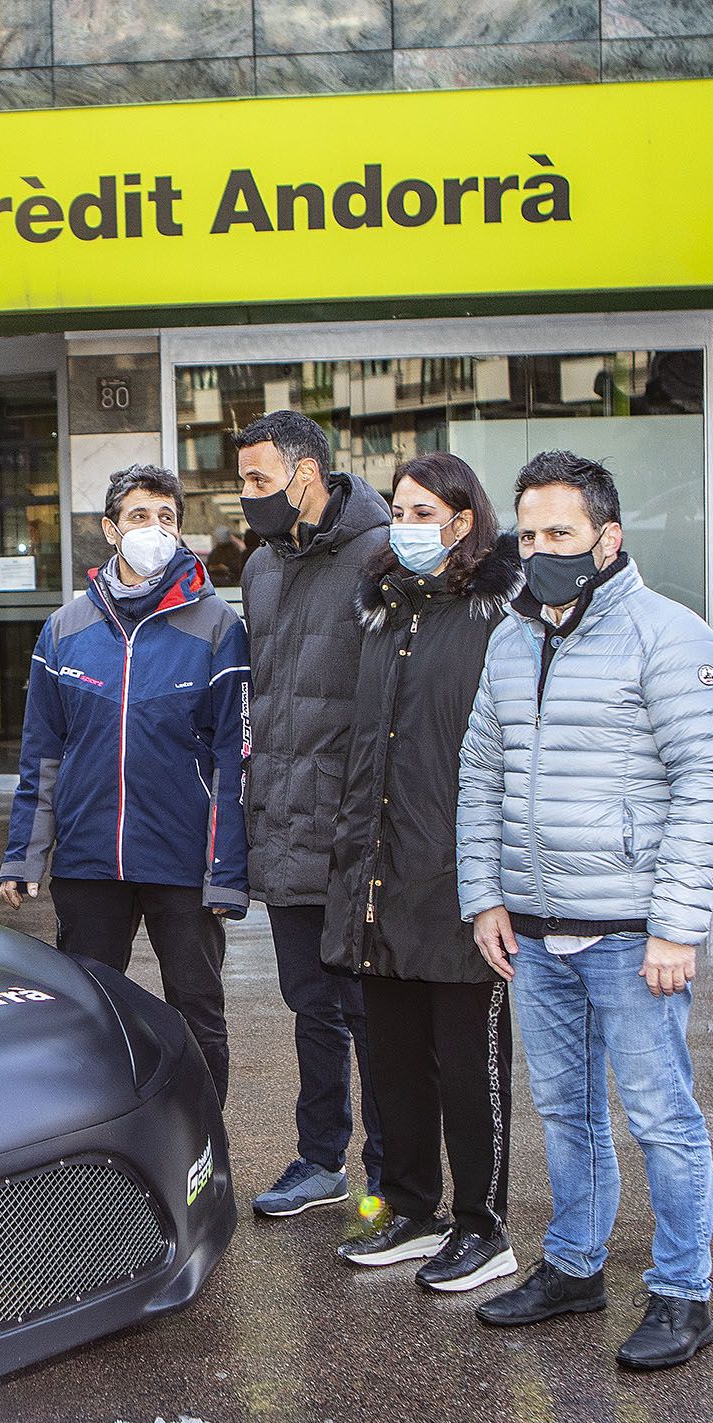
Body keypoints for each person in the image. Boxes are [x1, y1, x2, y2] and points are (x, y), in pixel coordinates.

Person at [458, 449, 713, 1371]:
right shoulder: (509, 637)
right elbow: (480, 777)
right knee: (566, 1111)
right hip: (535, 930)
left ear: (607, 538)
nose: (539, 550)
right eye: (528, 533)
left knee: (662, 1115)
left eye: (560, 534)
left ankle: (680, 1295)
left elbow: (709, 784)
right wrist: (484, 896)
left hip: (631, 935)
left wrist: (676, 926)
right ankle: (575, 1267)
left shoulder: (671, 636)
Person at [323, 453, 523, 1293]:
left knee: (466, 1061)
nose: (403, 524)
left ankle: (484, 1225)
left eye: (420, 510)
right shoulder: (382, 614)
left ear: (463, 519)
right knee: (394, 1055)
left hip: (461, 880)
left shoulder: (497, 618)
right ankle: (410, 1207)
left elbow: (508, 757)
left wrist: (502, 881)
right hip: (379, 871)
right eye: (397, 509)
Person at [0, 464, 249, 1101]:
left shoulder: (218, 627)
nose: (155, 530)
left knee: (197, 1014)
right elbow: (42, 754)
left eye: (167, 518)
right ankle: (91, 1153)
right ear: (111, 530)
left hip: (181, 862)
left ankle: (205, 1143)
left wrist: (226, 872)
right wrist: (26, 855)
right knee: (87, 1020)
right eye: (139, 516)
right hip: (88, 862)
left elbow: (234, 760)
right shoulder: (65, 631)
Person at [233, 410, 387, 1219]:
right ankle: (319, 1159)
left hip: (356, 834)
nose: (247, 497)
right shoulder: (261, 566)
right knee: (310, 1002)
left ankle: (391, 1174)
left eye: (259, 480)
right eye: (242, 482)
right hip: (286, 827)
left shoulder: (381, 554)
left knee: (368, 1009)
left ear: (306, 473)